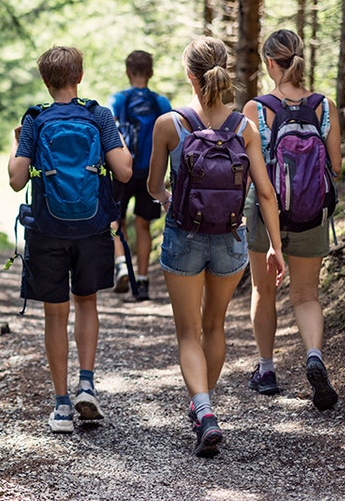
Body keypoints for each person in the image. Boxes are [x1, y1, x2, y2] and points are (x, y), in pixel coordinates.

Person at [146, 36, 284, 457]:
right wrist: (275, 247)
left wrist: (167, 198)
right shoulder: (245, 128)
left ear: (190, 74)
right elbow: (265, 193)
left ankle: (203, 410)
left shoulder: (169, 124)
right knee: (215, 326)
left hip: (184, 235)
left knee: (187, 330)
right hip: (231, 238)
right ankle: (204, 404)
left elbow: (153, 186)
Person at [9, 45, 133, 434]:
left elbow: (15, 180)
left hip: (47, 229)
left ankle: (62, 406)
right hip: (92, 226)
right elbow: (125, 173)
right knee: (87, 304)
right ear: (79, 77)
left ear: (46, 82)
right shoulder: (99, 116)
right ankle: (88, 385)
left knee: (55, 314)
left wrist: (18, 143)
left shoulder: (34, 120)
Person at [242, 29, 343, 410]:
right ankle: (314, 355)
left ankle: (266, 370)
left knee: (263, 291)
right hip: (312, 214)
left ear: (270, 63)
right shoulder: (324, 105)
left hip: (266, 215)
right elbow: (334, 165)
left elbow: (250, 170)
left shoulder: (257, 108)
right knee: (306, 296)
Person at [109, 50, 172, 301]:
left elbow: (109, 134)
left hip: (122, 170)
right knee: (143, 224)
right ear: (151, 72)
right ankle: (143, 281)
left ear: (127, 71)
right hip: (150, 172)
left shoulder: (117, 100)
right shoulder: (161, 104)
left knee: (116, 221)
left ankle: (122, 264)